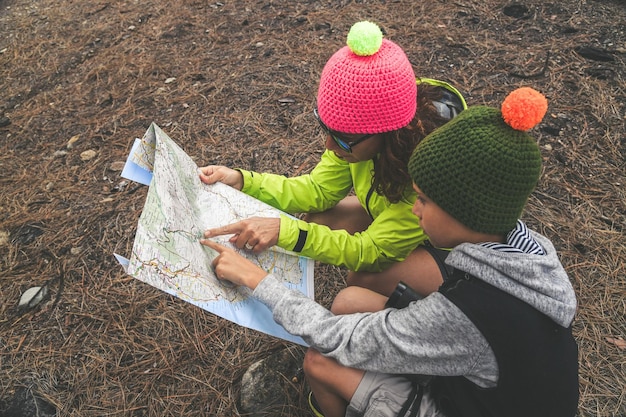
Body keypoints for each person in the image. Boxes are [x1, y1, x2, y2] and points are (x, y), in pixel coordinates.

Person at [200, 87, 579, 417]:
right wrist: (243, 181)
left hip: (460, 404)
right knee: (350, 301)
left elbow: (338, 337)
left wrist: (257, 279)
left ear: (463, 213)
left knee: (320, 362)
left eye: (425, 201)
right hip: (484, 388)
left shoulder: (467, 311)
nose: (415, 211)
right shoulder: (527, 248)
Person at [199, 21, 467, 298]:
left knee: (361, 279)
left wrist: (288, 232)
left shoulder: (429, 170)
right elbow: (318, 190)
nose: (329, 145)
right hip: (401, 223)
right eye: (327, 129)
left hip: (451, 253)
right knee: (319, 220)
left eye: (341, 138)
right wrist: (243, 180)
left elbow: (372, 252)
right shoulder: (366, 136)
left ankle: (433, 306)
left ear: (387, 134)